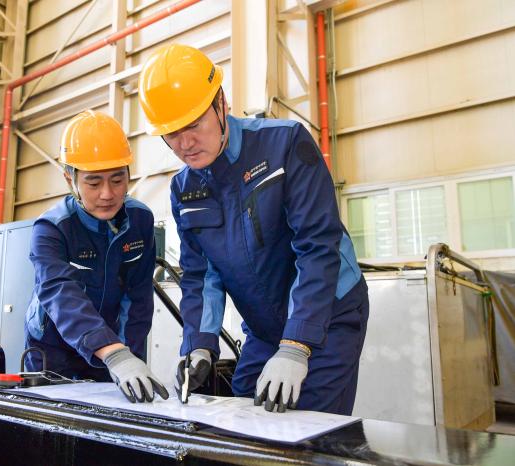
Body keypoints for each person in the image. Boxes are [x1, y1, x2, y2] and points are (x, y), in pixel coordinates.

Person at [137, 44, 369, 414]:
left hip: (328, 314)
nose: (184, 144)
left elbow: (318, 247)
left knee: (309, 431)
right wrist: (199, 344)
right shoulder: (184, 189)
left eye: (194, 124)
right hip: (263, 328)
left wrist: (296, 345)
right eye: (171, 133)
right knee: (244, 419)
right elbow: (200, 275)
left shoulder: (285, 144)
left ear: (221, 104)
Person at [24, 110, 168, 403]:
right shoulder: (51, 229)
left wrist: (128, 356)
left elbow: (138, 297)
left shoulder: (140, 220)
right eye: (93, 183)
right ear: (70, 179)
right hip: (52, 351)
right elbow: (60, 294)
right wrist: (114, 353)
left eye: (117, 180)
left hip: (112, 349)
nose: (107, 194)